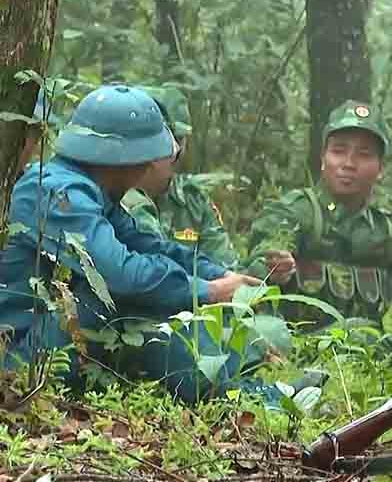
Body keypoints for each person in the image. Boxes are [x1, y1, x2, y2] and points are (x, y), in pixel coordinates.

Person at [0, 85, 297, 403]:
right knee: (129, 298)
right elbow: (120, 275)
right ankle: (228, 397)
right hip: (18, 357)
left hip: (42, 345)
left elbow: (148, 246)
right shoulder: (54, 190)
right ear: (131, 160)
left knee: (149, 287)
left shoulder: (87, 188)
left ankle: (237, 387)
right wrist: (208, 292)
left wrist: (216, 274)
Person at [245, 100, 392, 333]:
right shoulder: (292, 213)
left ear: (380, 168)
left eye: (364, 154)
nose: (348, 164)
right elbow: (257, 272)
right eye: (338, 151)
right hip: (298, 354)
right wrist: (276, 267)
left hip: (369, 358)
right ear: (323, 159)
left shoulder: (386, 233)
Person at [121, 85, 240, 270]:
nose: (170, 150)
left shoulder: (193, 201)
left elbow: (226, 268)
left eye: (176, 139)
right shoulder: (106, 194)